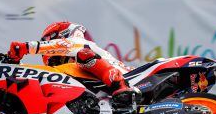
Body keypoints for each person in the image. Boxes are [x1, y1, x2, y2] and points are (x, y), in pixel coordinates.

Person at [7, 21, 138, 100]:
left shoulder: (78, 43)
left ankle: (122, 89)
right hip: (104, 89)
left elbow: (64, 45)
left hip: (130, 78)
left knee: (84, 55)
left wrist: (26, 47)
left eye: (49, 40)